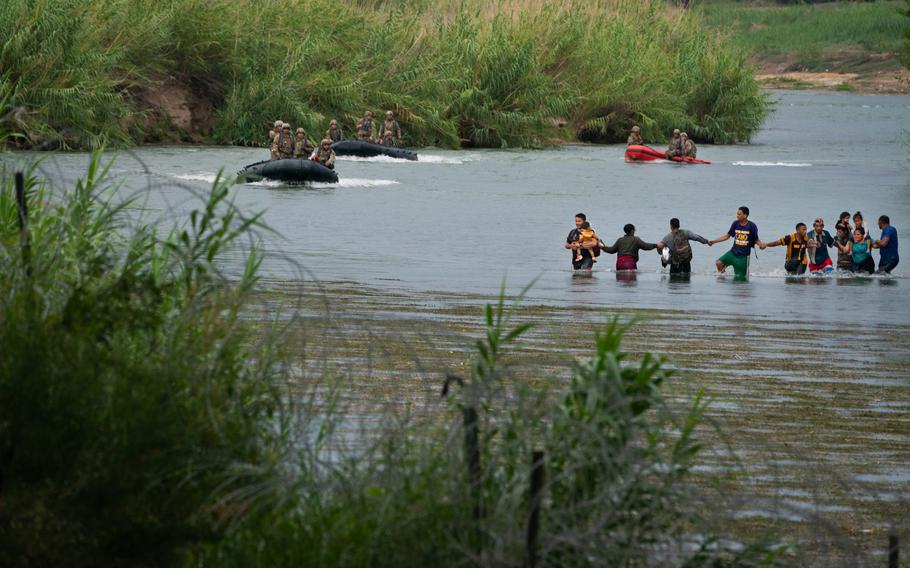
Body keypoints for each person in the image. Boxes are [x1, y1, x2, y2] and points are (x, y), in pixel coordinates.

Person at [710, 206, 763, 279]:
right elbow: (727, 236)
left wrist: (761, 245)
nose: (737, 216)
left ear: (745, 215)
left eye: (739, 214)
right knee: (719, 263)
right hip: (732, 253)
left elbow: (756, 240)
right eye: (737, 214)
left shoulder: (752, 226)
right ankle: (723, 278)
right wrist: (714, 241)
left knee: (740, 280)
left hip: (743, 258)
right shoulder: (735, 224)